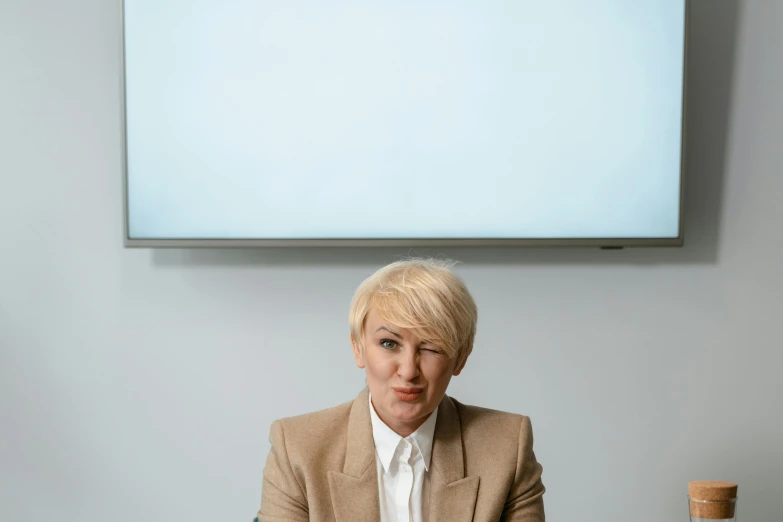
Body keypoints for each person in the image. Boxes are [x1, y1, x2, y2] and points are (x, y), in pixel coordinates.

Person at [255, 258, 545, 522]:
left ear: (461, 358)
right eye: (389, 344)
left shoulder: (507, 446)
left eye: (431, 347)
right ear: (358, 348)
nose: (408, 370)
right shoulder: (297, 448)